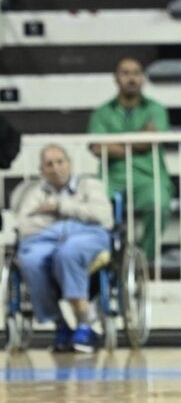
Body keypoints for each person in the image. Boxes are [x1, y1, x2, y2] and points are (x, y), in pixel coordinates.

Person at [14, 145, 113, 353]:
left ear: (70, 164)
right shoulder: (35, 193)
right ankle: (59, 323)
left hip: (88, 238)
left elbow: (103, 218)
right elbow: (25, 226)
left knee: (68, 251)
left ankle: (85, 322)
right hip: (45, 242)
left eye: (60, 162)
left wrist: (60, 207)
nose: (55, 168)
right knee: (30, 259)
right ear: (42, 170)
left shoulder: (90, 185)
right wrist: (66, 226)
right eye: (49, 164)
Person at [87, 57, 172, 263]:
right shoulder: (102, 112)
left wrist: (115, 144)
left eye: (135, 73)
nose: (131, 78)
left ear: (142, 78)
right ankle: (107, 261)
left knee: (159, 203)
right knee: (93, 207)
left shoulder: (156, 109)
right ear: (116, 79)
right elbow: (98, 147)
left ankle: (145, 260)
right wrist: (139, 138)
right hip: (112, 177)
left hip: (148, 176)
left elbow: (152, 141)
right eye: (125, 73)